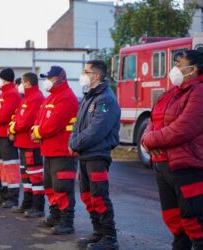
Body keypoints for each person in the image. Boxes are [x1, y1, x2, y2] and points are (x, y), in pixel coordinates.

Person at [142, 49, 203, 250]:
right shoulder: (172, 92)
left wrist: (150, 141)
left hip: (189, 166)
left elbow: (183, 129)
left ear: (192, 69)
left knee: (194, 223)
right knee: (174, 221)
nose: (174, 68)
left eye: (178, 63)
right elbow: (153, 120)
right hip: (164, 166)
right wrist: (146, 140)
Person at [69, 60, 120, 250]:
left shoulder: (106, 99)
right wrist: (73, 141)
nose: (83, 74)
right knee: (87, 195)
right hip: (85, 154)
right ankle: (98, 233)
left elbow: (97, 129)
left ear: (96, 76)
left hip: (97, 155)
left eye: (86, 71)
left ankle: (110, 238)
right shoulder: (89, 96)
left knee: (99, 196)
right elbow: (77, 124)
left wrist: (75, 144)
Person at [32, 66, 78, 235]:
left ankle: (67, 221)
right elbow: (40, 118)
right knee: (50, 186)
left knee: (63, 187)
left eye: (50, 78)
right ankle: (55, 216)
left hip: (62, 151)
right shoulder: (51, 97)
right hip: (49, 149)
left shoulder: (66, 98)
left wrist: (38, 132)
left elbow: (53, 124)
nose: (47, 81)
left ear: (59, 78)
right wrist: (36, 130)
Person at [8, 72, 45, 218]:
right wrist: (12, 128)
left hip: (31, 143)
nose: (20, 85)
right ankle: (27, 203)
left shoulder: (35, 98)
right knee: (25, 173)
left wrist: (12, 129)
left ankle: (38, 206)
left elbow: (27, 121)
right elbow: (17, 116)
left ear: (28, 83)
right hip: (22, 142)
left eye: (22, 82)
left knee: (34, 174)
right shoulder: (27, 98)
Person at [0, 68, 22, 208]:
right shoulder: (4, 93)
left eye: (0, 78)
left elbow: (5, 115)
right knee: (2, 165)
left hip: (6, 135)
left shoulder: (12, 94)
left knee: (10, 165)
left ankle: (12, 196)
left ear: (4, 79)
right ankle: (4, 192)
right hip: (0, 133)